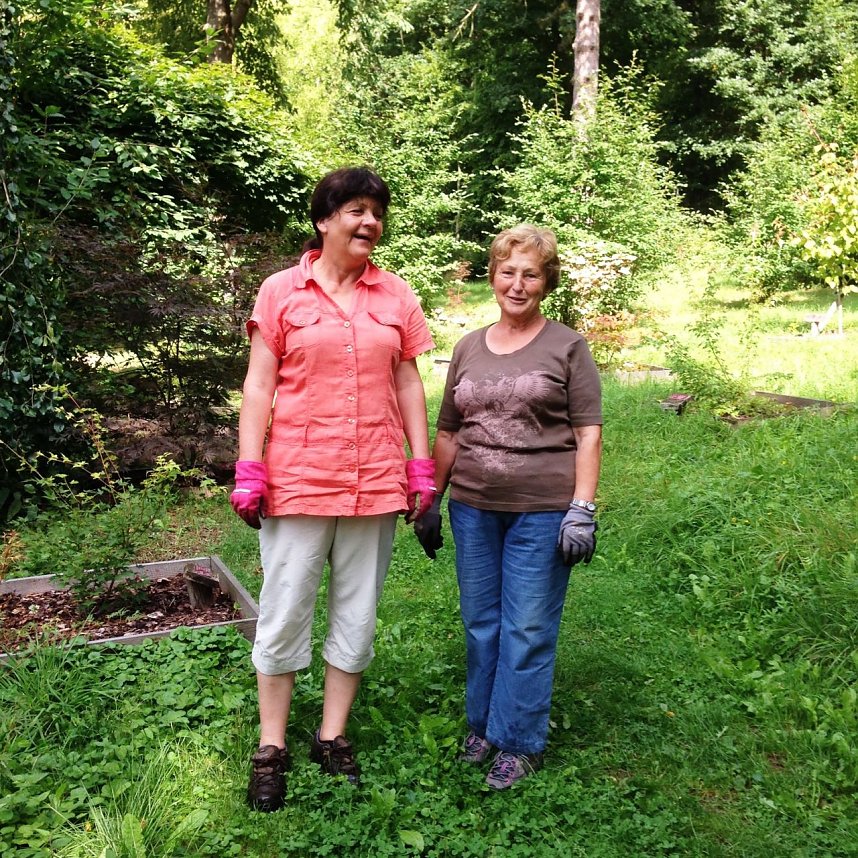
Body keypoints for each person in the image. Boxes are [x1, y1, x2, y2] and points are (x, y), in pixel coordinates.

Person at [231, 167, 436, 812]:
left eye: (376, 210)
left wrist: (420, 462)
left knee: (357, 608)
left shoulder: (396, 296)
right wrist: (249, 465)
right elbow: (260, 385)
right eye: (355, 209)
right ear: (324, 220)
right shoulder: (280, 292)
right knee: (285, 606)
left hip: (374, 479)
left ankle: (332, 735)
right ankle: (272, 747)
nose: (368, 221)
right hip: (296, 478)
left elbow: (407, 383)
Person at [416, 224, 602, 790]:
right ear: (492, 275)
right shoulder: (468, 346)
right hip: (472, 507)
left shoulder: (566, 346)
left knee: (527, 626)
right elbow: (448, 431)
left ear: (546, 282)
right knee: (481, 624)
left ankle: (519, 741)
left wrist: (582, 508)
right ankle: (483, 724)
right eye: (507, 271)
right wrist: (430, 499)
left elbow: (588, 433)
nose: (517, 284)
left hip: (542, 509)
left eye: (530, 274)